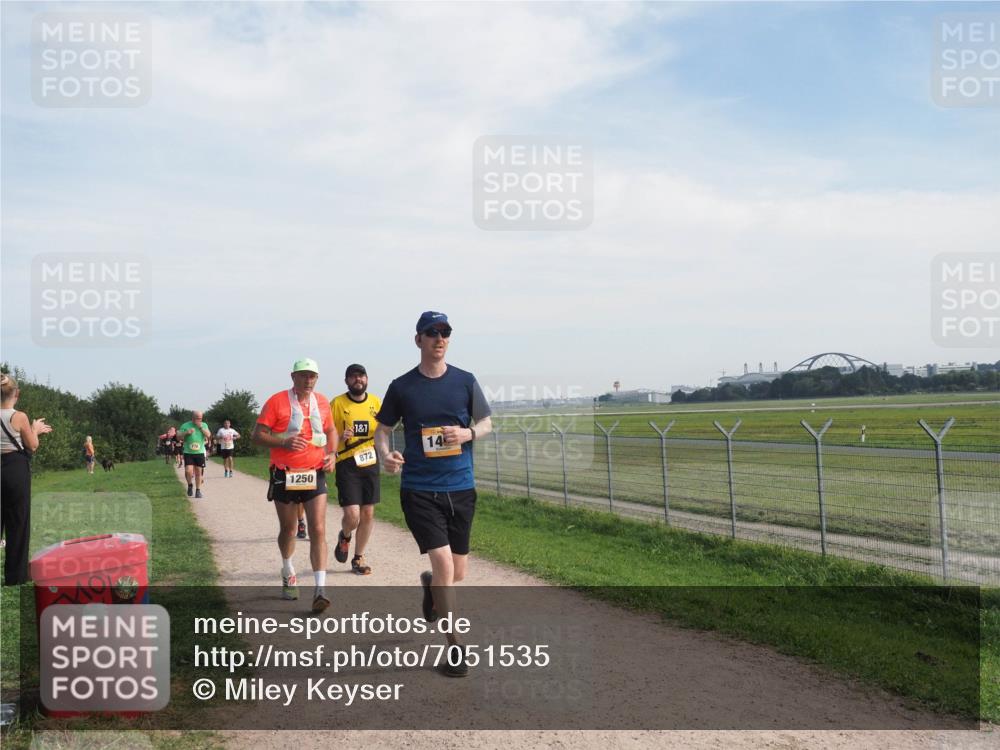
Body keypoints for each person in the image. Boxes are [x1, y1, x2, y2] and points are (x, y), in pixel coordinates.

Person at [374, 312, 492, 677]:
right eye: (432, 333)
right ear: (418, 340)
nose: (439, 338)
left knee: (457, 571)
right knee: (444, 565)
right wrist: (386, 456)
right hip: (420, 489)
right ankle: (455, 647)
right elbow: (382, 429)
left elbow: (486, 422)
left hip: (460, 487)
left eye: (445, 333)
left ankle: (431, 590)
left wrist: (467, 434)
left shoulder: (465, 381)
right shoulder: (402, 386)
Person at [252, 358, 337, 614]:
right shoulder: (276, 401)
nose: (308, 380)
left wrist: (332, 453)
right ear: (293, 377)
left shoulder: (322, 402)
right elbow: (257, 436)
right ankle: (288, 569)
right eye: (303, 375)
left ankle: (320, 589)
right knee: (288, 529)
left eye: (312, 376)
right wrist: (283, 442)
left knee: (318, 529)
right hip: (285, 474)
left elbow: (331, 430)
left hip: (315, 473)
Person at [1, 373, 53, 586]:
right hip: (14, 469)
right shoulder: (19, 416)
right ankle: (15, 577)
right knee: (18, 522)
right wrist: (35, 429)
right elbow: (32, 446)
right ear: (17, 394)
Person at [331, 364, 382, 575]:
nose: (357, 380)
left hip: (370, 461)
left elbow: (385, 430)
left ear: (367, 379)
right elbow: (328, 433)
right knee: (353, 515)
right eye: (353, 377)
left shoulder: (376, 402)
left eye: (361, 376)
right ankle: (345, 535)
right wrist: (339, 438)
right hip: (346, 462)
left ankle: (358, 558)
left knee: (368, 512)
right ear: (346, 381)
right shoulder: (337, 403)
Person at [178, 411, 211, 499]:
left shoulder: (204, 425)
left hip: (199, 452)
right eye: (197, 418)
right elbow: (178, 436)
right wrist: (186, 433)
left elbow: (208, 435)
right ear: (193, 417)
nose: (199, 420)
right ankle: (189, 485)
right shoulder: (185, 425)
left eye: (200, 418)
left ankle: (198, 491)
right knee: (188, 471)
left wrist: (201, 428)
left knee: (198, 472)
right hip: (188, 452)